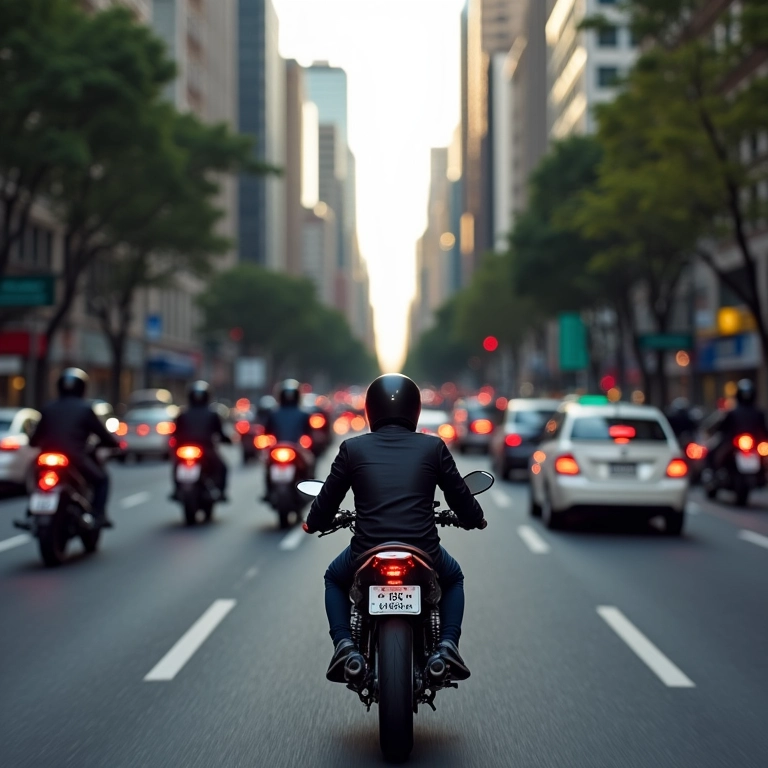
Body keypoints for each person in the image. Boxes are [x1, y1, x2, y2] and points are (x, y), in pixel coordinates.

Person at [304, 373, 487, 684]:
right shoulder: (433, 447)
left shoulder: (352, 449)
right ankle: (447, 647)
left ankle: (345, 647)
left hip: (366, 550)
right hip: (423, 550)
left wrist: (314, 523)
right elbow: (461, 498)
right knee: (453, 578)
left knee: (334, 578)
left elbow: (326, 502)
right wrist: (474, 519)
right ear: (414, 409)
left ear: (370, 410)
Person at [30, 368, 119, 527]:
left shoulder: (47, 408)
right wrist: (114, 443)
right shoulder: (85, 409)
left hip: (46, 457)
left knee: (36, 480)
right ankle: (97, 515)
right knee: (102, 480)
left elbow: (34, 439)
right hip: (75, 458)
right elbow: (103, 434)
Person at [173, 381, 231, 500]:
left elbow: (175, 434)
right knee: (223, 467)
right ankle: (221, 491)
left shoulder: (182, 414)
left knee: (175, 466)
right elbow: (220, 433)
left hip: (193, 450)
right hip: (205, 449)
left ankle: (176, 490)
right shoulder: (212, 414)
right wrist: (227, 440)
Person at [262, 379, 313, 499]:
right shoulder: (303, 414)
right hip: (285, 449)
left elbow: (266, 432)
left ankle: (268, 492)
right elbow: (266, 433)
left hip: (292, 449)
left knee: (309, 463)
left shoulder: (274, 413)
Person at [707, 379, 768, 469]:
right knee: (714, 453)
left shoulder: (758, 413)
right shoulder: (734, 413)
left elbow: (764, 430)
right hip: (734, 444)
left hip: (755, 445)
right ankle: (713, 473)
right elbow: (723, 427)